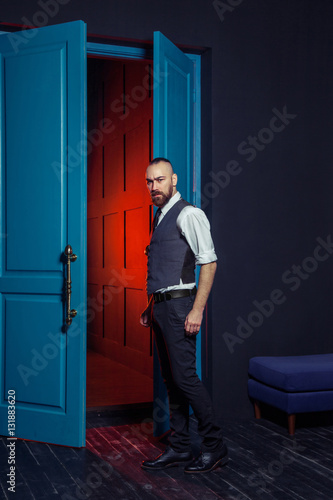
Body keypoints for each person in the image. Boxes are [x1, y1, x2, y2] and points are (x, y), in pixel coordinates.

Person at [140, 157, 228, 473]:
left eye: (160, 180)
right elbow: (164, 269)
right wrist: (151, 308)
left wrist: (197, 309)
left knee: (186, 378)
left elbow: (210, 262)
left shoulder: (189, 214)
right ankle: (179, 447)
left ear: (174, 179)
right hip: (162, 308)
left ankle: (215, 447)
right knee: (171, 380)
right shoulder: (159, 217)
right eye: (149, 182)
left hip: (181, 308)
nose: (154, 187)